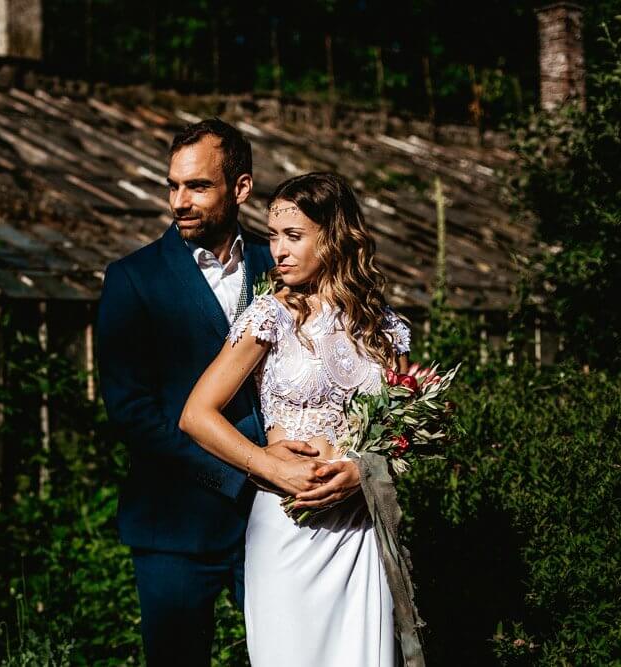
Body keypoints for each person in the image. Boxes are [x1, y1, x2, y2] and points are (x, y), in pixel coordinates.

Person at [97, 120, 346, 665]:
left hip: (285, 518)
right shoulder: (132, 279)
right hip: (176, 525)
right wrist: (250, 468)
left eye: (198, 186)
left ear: (240, 188)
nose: (179, 201)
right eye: (173, 186)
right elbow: (132, 413)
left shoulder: (279, 262)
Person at [179, 172, 415, 666]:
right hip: (287, 528)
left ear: (333, 237)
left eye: (294, 236)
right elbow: (197, 414)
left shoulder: (382, 327)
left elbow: (402, 429)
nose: (279, 251)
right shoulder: (270, 316)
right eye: (273, 237)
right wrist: (268, 465)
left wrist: (361, 469)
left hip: (358, 530)